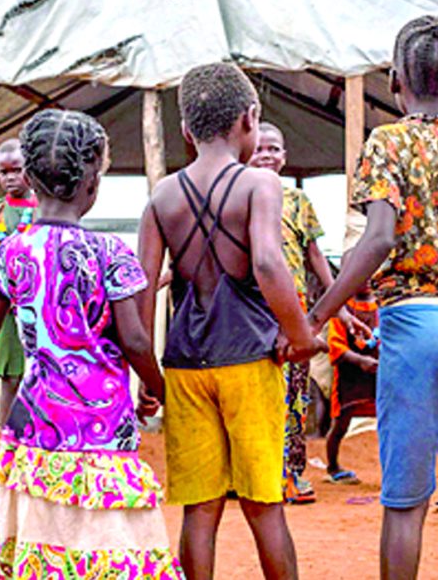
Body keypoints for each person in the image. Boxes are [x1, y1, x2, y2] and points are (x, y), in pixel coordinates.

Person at [307, 16, 438, 579]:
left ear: (396, 80)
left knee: (406, 501)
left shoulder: (387, 144)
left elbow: (377, 239)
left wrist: (317, 315)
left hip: (414, 330)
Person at [0, 109, 182, 579]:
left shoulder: (12, 251)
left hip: (37, 424)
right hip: (103, 426)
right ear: (93, 184)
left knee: (43, 536)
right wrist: (158, 388)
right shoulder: (110, 253)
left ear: (28, 178)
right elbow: (136, 339)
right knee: (110, 544)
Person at [137, 62, 324, 579]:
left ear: (185, 130)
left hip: (185, 367)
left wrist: (147, 375)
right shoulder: (259, 184)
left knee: (200, 510)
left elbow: (142, 289)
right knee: (265, 506)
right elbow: (267, 262)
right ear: (250, 118)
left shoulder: (162, 196)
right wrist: (301, 335)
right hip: (250, 361)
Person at [249, 121, 334, 504]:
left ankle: (292, 473)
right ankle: (255, 474)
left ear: (284, 156)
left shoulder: (299, 202)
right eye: (260, 148)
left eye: (274, 149)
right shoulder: (239, 196)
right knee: (256, 393)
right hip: (252, 311)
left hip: (295, 312)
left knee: (295, 395)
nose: (267, 155)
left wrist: (337, 302)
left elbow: (315, 255)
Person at [0, 138, 35, 424]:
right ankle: (9, 437)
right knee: (11, 377)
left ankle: (40, 438)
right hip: (5, 308)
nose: (10, 177)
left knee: (40, 376)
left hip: (38, 307)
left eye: (17, 170)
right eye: (4, 172)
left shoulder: (45, 208)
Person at [325, 280, 378, 485]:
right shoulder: (342, 310)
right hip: (349, 377)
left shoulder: (382, 305)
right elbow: (335, 346)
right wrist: (360, 361)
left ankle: (393, 469)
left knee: (389, 420)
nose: (366, 280)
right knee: (341, 423)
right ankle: (333, 466)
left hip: (379, 371)